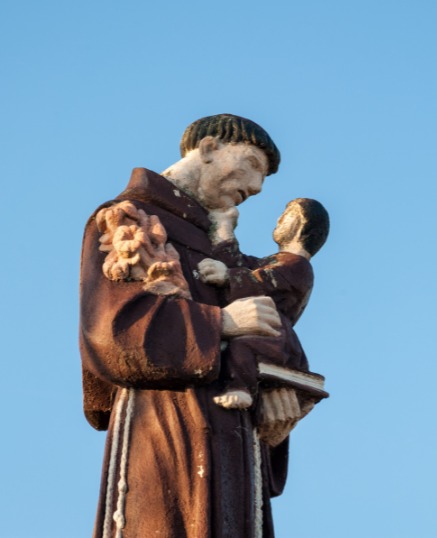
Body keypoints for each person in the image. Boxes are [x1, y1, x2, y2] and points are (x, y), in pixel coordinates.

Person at [79, 114, 311, 538]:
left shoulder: (221, 245)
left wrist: (280, 393)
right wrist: (220, 322)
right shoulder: (130, 218)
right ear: (208, 149)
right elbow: (112, 332)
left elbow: (271, 320)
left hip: (235, 436)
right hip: (166, 420)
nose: (257, 187)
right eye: (252, 164)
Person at [197, 198, 330, 410]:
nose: (279, 219)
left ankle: (240, 388)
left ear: (300, 225)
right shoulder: (275, 260)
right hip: (259, 326)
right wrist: (225, 230)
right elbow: (239, 263)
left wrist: (228, 277)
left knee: (242, 347)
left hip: (273, 334)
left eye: (287, 216)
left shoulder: (298, 266)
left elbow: (267, 281)